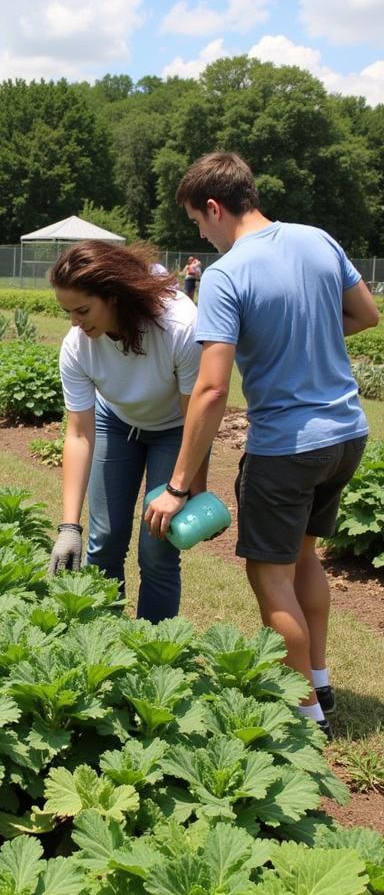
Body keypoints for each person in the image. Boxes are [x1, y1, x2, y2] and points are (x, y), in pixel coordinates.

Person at [144, 152, 379, 738]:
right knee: (303, 558)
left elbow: (211, 388)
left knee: (268, 575)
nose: (200, 233)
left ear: (216, 208)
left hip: (287, 448)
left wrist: (178, 487)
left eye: (198, 222)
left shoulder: (227, 273)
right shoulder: (317, 240)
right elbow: (366, 314)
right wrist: (306, 334)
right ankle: (319, 678)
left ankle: (305, 716)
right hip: (347, 434)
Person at [47, 240, 206, 623]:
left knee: (158, 551)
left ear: (114, 296)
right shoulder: (77, 347)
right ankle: (104, 647)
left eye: (82, 310)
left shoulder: (179, 327)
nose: (75, 323)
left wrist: (189, 488)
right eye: (67, 312)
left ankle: (154, 658)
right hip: (115, 423)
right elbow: (80, 434)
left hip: (174, 429)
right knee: (103, 544)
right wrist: (69, 526)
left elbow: (196, 417)